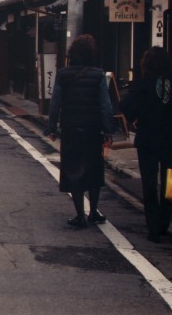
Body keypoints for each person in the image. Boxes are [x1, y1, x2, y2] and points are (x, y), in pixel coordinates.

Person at [119, 46, 172, 243]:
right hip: (171, 140)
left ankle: (153, 228)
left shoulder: (143, 84)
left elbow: (125, 105)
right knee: (168, 183)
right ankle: (164, 223)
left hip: (148, 138)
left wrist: (135, 119)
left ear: (146, 64)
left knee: (149, 183)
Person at [46, 34, 113, 228]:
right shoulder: (98, 74)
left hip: (71, 129)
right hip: (93, 130)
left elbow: (55, 103)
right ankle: (93, 212)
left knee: (73, 170)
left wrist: (51, 127)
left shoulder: (63, 74)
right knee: (94, 169)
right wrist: (108, 130)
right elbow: (105, 106)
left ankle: (79, 216)